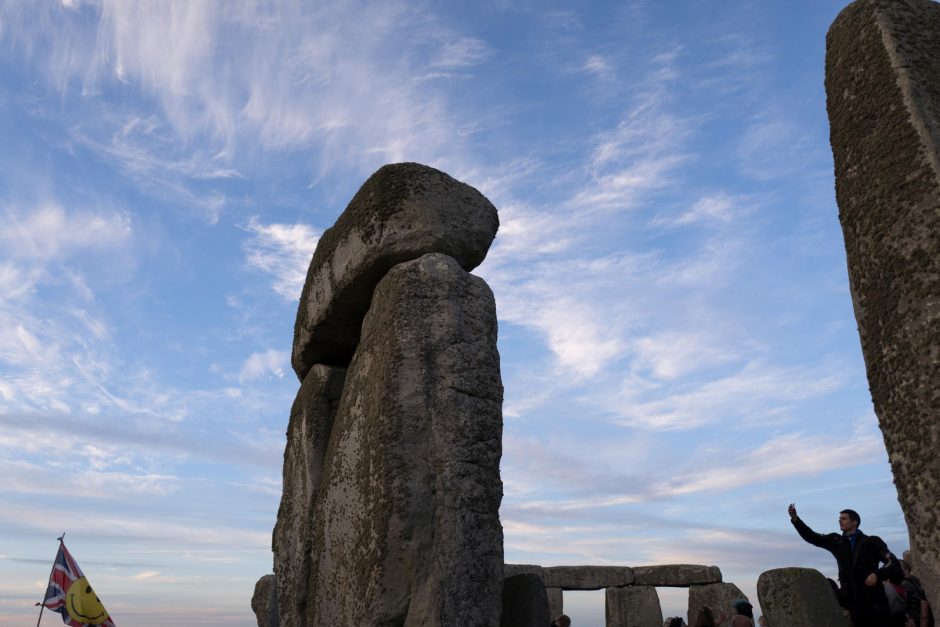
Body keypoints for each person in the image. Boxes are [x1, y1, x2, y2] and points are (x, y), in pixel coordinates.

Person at [788, 503, 902, 627]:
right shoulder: (836, 541)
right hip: (852, 601)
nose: (840, 521)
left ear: (855, 522)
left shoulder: (871, 541)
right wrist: (795, 519)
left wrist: (877, 574)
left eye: (844, 518)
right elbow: (812, 537)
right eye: (839, 519)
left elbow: (892, 562)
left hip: (874, 601)